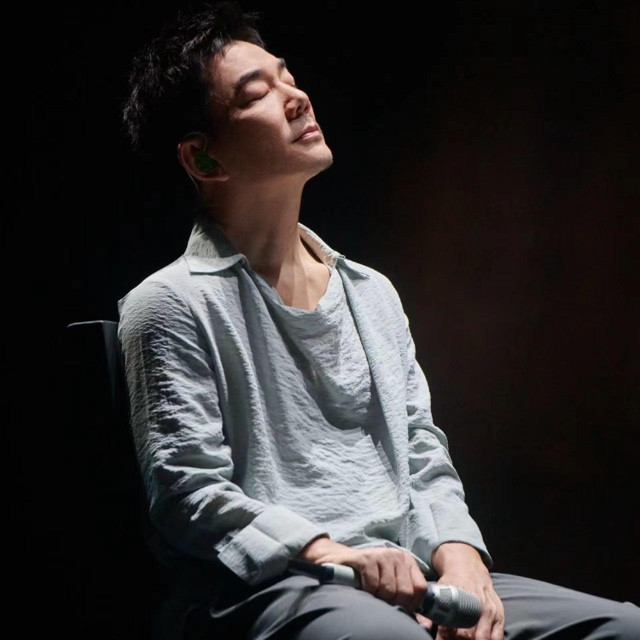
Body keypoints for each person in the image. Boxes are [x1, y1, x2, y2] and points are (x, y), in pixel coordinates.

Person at [117, 3, 639, 639]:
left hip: (414, 576)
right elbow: (189, 493)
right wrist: (333, 554)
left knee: (622, 628)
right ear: (203, 160)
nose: (296, 97)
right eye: (258, 94)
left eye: (288, 77)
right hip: (280, 587)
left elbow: (421, 449)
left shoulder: (371, 293)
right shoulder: (169, 303)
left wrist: (462, 558)